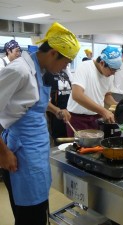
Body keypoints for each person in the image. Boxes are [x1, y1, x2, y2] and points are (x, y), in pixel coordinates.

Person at [0, 22, 80, 225]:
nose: (66, 67)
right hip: (21, 151)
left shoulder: (40, 69)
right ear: (54, 53)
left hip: (36, 148)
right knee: (29, 215)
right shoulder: (19, 70)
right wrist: (3, 153)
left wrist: (56, 110)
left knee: (39, 207)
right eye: (66, 62)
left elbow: (32, 101)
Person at [66, 46, 122, 137]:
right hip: (78, 118)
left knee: (96, 148)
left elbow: (106, 95)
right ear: (102, 63)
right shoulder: (85, 67)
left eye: (116, 70)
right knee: (79, 149)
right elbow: (77, 95)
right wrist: (104, 111)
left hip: (96, 119)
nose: (113, 73)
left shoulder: (109, 75)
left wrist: (117, 105)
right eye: (112, 70)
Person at [44, 68, 72, 145]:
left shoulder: (65, 73)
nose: (66, 64)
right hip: (55, 115)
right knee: (59, 142)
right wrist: (56, 110)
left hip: (68, 113)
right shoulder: (46, 74)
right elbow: (42, 99)